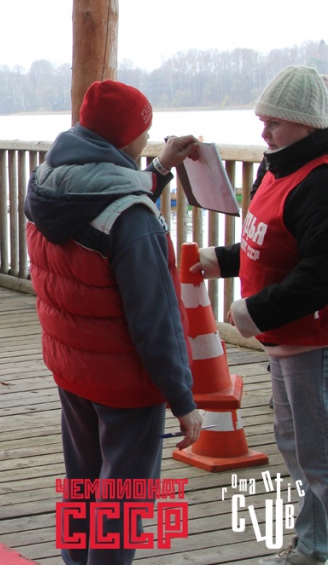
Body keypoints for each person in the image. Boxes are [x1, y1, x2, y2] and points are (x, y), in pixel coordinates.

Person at [24, 79, 203, 565]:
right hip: (125, 378)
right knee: (122, 501)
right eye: (144, 129)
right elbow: (155, 319)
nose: (147, 137)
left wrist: (159, 170)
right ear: (126, 136)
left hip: (73, 365)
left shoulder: (47, 185)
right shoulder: (133, 220)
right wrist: (182, 398)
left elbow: (104, 198)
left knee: (82, 484)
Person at [192, 66, 328, 565]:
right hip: (284, 341)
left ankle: (316, 546)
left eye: (275, 123)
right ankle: (313, 543)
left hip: (313, 342)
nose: (264, 132)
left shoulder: (320, 181)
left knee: (318, 454)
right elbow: (266, 243)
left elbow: (319, 273)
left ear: (306, 125)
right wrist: (221, 260)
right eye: (262, 121)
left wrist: (253, 310)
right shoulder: (277, 168)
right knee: (296, 447)